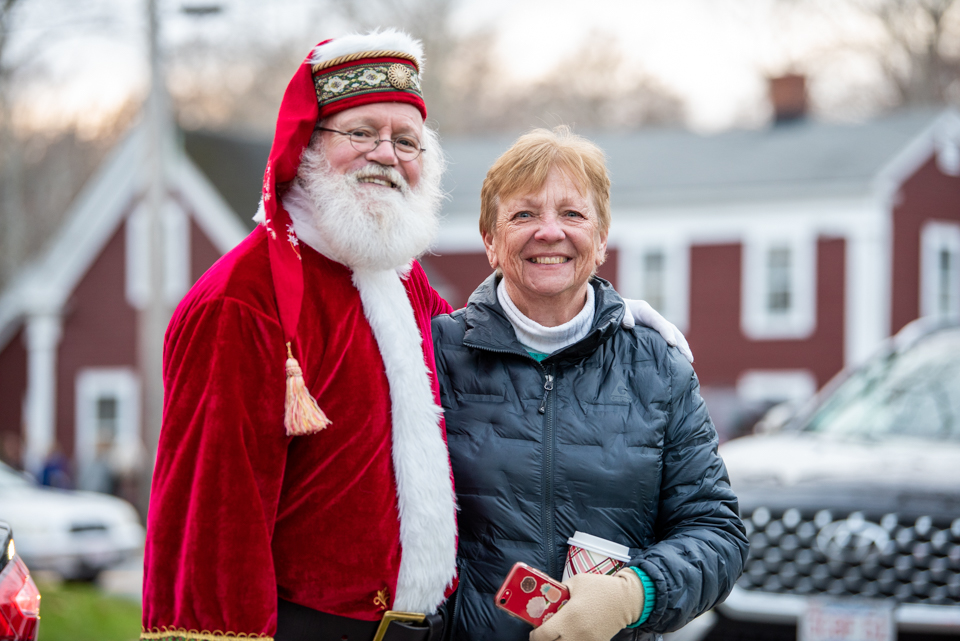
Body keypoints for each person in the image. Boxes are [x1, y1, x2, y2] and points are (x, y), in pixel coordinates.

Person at [141, 31, 685, 641]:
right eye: (361, 133)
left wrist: (609, 312)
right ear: (308, 145)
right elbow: (210, 525)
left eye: (406, 140)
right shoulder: (243, 299)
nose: (386, 154)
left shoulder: (399, 281)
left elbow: (493, 332)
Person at [432, 127, 749, 641]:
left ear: (601, 239)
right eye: (524, 214)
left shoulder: (658, 367)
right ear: (490, 240)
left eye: (573, 214)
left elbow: (716, 533)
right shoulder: (436, 355)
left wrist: (633, 594)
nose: (550, 231)